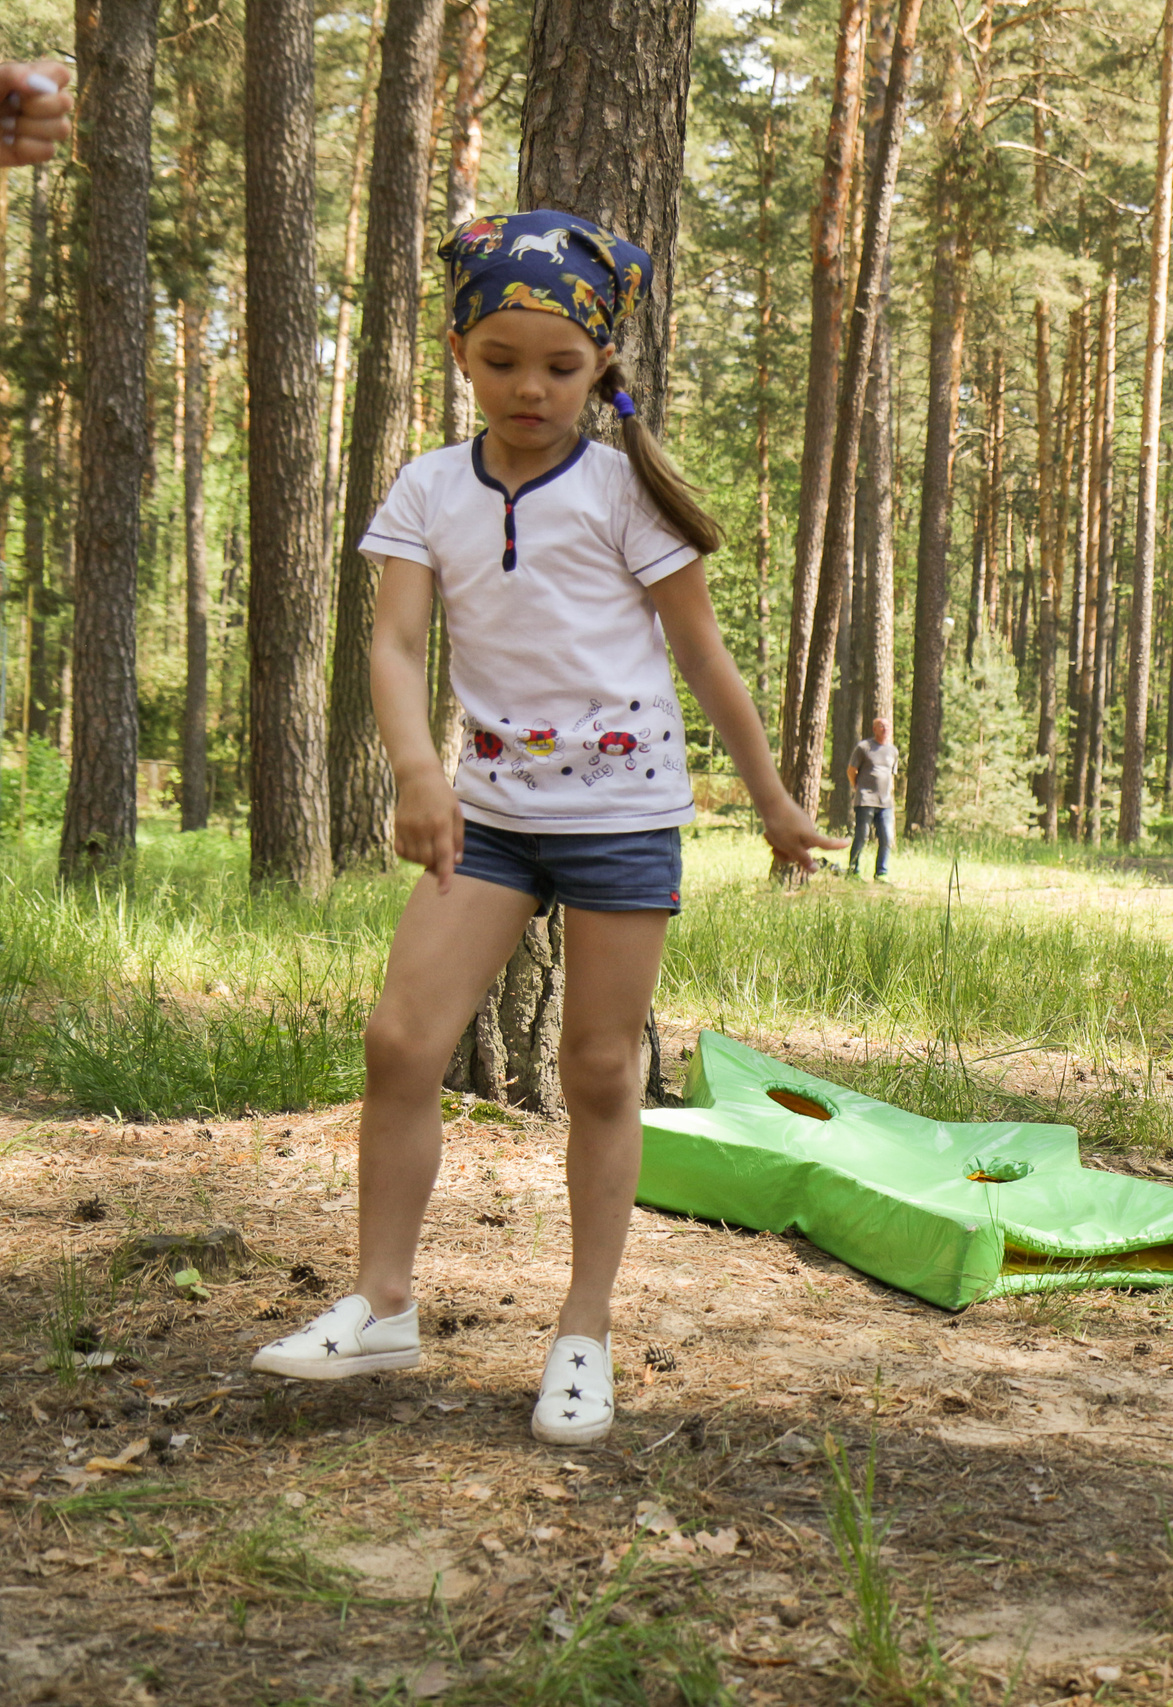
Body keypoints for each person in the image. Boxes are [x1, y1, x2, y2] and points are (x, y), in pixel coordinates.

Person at [250, 211, 840, 1445]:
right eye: (503, 360)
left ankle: (583, 1332)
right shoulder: (427, 488)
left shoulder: (622, 492)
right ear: (462, 349)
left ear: (600, 369)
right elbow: (398, 641)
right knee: (402, 1040)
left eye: (560, 367)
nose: (531, 387)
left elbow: (705, 658)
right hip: (493, 821)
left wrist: (776, 802)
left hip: (624, 820)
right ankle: (383, 1299)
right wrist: (418, 769)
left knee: (596, 1069)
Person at [847, 717, 898, 879]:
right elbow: (851, 770)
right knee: (862, 835)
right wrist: (856, 785)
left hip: (885, 802)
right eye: (881, 726)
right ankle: (853, 870)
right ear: (874, 729)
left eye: (887, 726)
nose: (885, 729)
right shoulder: (864, 748)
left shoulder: (893, 751)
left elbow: (891, 775)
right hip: (865, 800)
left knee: (886, 837)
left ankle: (881, 873)